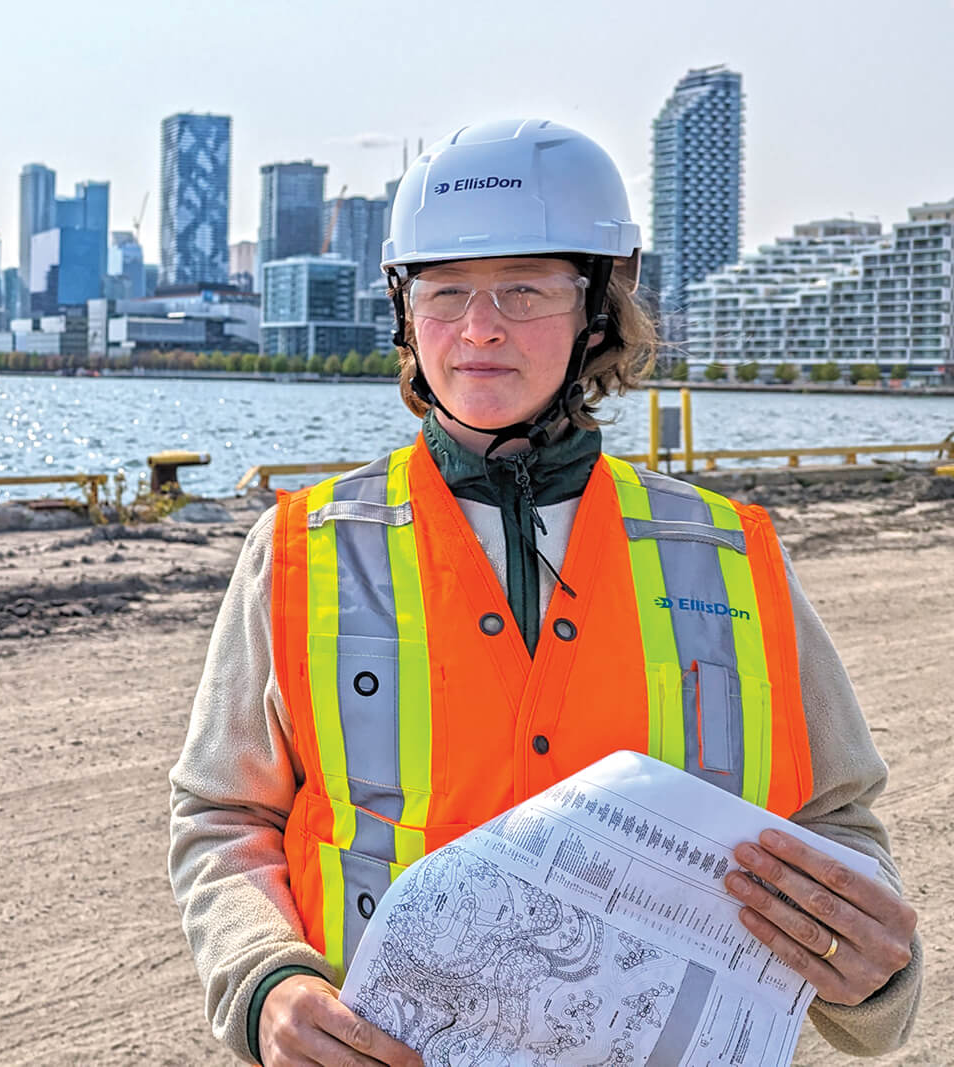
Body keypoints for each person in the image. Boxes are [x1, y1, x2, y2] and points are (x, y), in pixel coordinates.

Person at [168, 118, 921, 1066]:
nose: (479, 329)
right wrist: (263, 979)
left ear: (596, 313)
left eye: (523, 290)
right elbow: (220, 814)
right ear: (406, 312)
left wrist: (876, 977)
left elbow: (836, 825)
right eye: (445, 293)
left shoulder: (733, 558)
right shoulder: (300, 551)